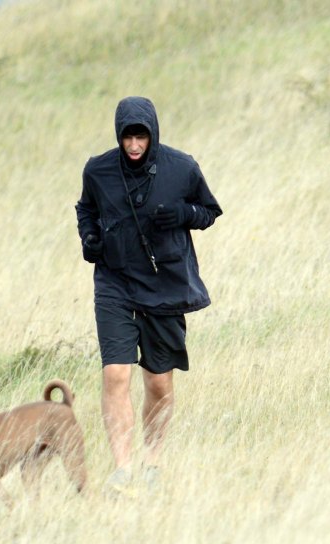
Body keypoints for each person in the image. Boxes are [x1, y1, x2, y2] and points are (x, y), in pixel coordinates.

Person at [75, 96, 222, 493]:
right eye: (128, 137)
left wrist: (184, 215)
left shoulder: (182, 167)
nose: (134, 145)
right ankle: (122, 469)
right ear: (119, 137)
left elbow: (209, 211)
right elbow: (85, 208)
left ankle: (152, 462)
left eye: (141, 136)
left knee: (158, 382)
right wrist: (89, 237)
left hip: (164, 282)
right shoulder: (98, 170)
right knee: (116, 374)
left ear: (153, 134)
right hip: (115, 283)